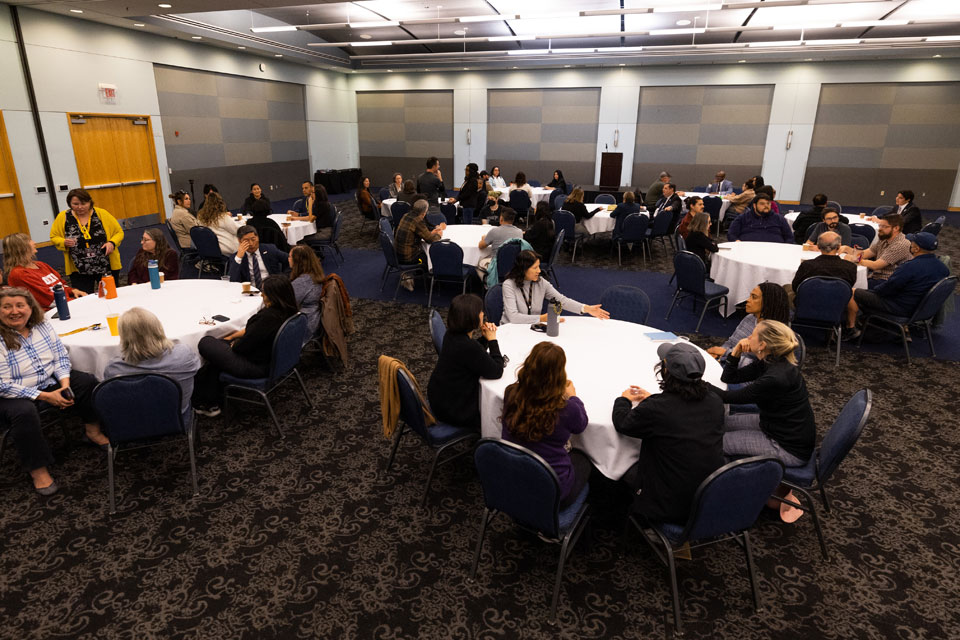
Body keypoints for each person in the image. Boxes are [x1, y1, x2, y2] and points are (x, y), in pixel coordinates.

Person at [0, 287, 107, 495]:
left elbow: (60, 357)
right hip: (11, 393)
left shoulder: (42, 326)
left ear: (30, 308)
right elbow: (2, 384)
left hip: (49, 380)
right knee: (24, 413)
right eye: (6, 307)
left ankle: (92, 431)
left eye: (20, 305)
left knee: (86, 382)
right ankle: (37, 469)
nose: (14, 311)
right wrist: (45, 396)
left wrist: (65, 384)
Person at [711, 320, 815, 522]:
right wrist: (736, 352)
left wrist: (692, 382)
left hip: (787, 446)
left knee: (717, 442)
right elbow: (729, 377)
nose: (747, 338)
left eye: (752, 336)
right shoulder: (771, 361)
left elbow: (731, 397)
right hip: (776, 426)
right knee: (719, 424)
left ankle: (725, 498)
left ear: (763, 345)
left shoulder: (775, 377)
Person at [613, 342, 724, 522]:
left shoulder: (658, 408)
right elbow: (682, 413)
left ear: (665, 371)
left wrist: (623, 400)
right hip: (709, 493)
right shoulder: (715, 401)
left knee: (623, 466)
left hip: (669, 503)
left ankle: (648, 523)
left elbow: (623, 423)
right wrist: (653, 401)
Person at [500, 342, 592, 509]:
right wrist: (573, 397)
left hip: (513, 476)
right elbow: (581, 425)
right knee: (585, 460)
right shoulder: (566, 409)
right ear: (558, 375)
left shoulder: (511, 393)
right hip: (551, 491)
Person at [192, 275, 299, 416]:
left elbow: (241, 348)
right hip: (275, 362)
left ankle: (206, 400)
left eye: (264, 293)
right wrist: (233, 338)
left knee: (206, 343)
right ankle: (209, 399)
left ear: (273, 296)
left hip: (256, 367)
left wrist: (233, 343)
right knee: (217, 356)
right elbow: (253, 336)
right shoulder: (291, 312)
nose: (261, 295)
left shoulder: (267, 318)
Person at [104, 307, 201, 424]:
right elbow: (198, 368)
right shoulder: (184, 355)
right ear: (159, 328)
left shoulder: (114, 370)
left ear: (123, 337)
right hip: (178, 421)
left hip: (133, 426)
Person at [845, 232, 949, 340]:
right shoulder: (943, 268)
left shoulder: (910, 267)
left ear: (916, 249)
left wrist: (871, 292)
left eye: (911, 243)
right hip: (922, 309)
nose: (909, 244)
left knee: (852, 291)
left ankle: (850, 329)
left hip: (900, 308)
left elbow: (886, 290)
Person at [427, 294, 504, 430]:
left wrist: (485, 338)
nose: (483, 314)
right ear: (472, 317)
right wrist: (492, 341)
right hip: (455, 410)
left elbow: (473, 354)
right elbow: (496, 371)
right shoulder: (467, 346)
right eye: (480, 312)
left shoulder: (451, 334)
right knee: (502, 415)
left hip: (440, 398)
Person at [501, 250, 609, 324]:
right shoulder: (509, 285)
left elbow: (561, 300)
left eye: (539, 266)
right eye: (535, 268)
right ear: (523, 269)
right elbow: (513, 318)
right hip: (510, 330)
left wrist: (585, 308)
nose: (539, 271)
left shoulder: (541, 283)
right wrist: (542, 318)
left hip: (531, 328)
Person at [49, 188, 124, 294]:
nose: (80, 207)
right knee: (84, 297)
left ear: (90, 202)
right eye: (75, 204)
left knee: (110, 294)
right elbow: (54, 236)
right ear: (70, 204)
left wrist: (112, 243)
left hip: (105, 265)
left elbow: (119, 232)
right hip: (78, 268)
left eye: (83, 203)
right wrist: (63, 242)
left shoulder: (101, 213)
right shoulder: (63, 217)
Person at [706, 282, 790, 362]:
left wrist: (725, 353)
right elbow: (731, 342)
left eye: (754, 297)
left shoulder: (774, 333)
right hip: (730, 361)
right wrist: (716, 354)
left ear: (768, 302)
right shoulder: (750, 318)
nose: (748, 300)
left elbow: (759, 365)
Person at [3, 233, 85, 308]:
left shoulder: (40, 265)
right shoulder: (19, 274)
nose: (34, 242)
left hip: (67, 304)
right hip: (51, 313)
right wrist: (80, 303)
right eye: (29, 240)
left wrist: (73, 291)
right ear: (20, 248)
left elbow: (60, 284)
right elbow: (48, 300)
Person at [839, 212, 911, 287]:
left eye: (884, 226)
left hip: (889, 282)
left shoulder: (901, 244)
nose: (880, 229)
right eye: (880, 225)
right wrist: (847, 249)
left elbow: (876, 265)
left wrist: (853, 258)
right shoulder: (884, 239)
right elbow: (865, 254)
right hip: (876, 277)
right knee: (847, 283)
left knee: (850, 287)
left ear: (896, 228)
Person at [395, 200, 445, 291]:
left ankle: (415, 274)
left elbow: (420, 233)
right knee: (430, 255)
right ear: (424, 212)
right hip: (409, 257)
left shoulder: (406, 215)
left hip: (397, 254)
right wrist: (439, 235)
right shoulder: (418, 220)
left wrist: (431, 232)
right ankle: (430, 280)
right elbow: (430, 240)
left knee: (424, 249)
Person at [792, 231, 858, 292]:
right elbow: (848, 288)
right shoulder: (850, 267)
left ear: (818, 246)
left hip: (808, 301)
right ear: (839, 246)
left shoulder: (807, 265)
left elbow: (795, 287)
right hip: (839, 302)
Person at [288, 245, 325, 341]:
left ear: (297, 261)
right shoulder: (315, 274)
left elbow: (287, 306)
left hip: (304, 326)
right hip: (313, 319)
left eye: (290, 257)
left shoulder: (302, 282)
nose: (288, 259)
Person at [727, 193, 793, 243]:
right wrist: (737, 241)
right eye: (762, 204)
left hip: (774, 252)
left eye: (768, 203)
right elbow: (731, 234)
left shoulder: (779, 219)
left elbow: (789, 237)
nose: (766, 206)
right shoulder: (743, 218)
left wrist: (785, 247)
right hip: (748, 251)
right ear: (754, 205)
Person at [197, 191, 241, 256]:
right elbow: (238, 230)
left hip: (210, 248)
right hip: (226, 248)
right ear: (220, 203)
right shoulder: (222, 217)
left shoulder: (200, 218)